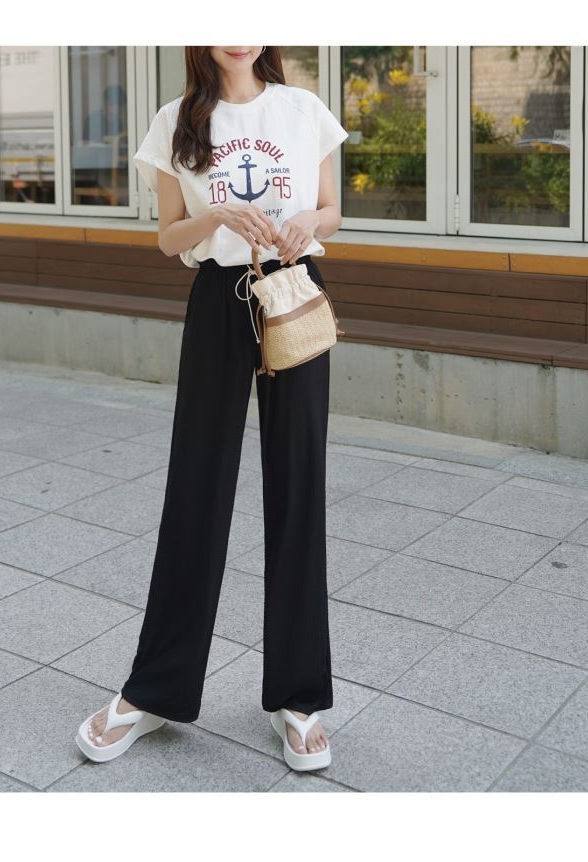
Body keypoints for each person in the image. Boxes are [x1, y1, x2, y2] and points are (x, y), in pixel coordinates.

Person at [75, 46, 348, 772]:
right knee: (197, 486)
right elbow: (168, 236)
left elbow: (332, 210)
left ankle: (299, 697)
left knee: (299, 486)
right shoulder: (176, 120)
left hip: (293, 291)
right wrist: (216, 216)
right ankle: (155, 690)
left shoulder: (302, 110)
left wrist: (307, 223)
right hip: (219, 300)